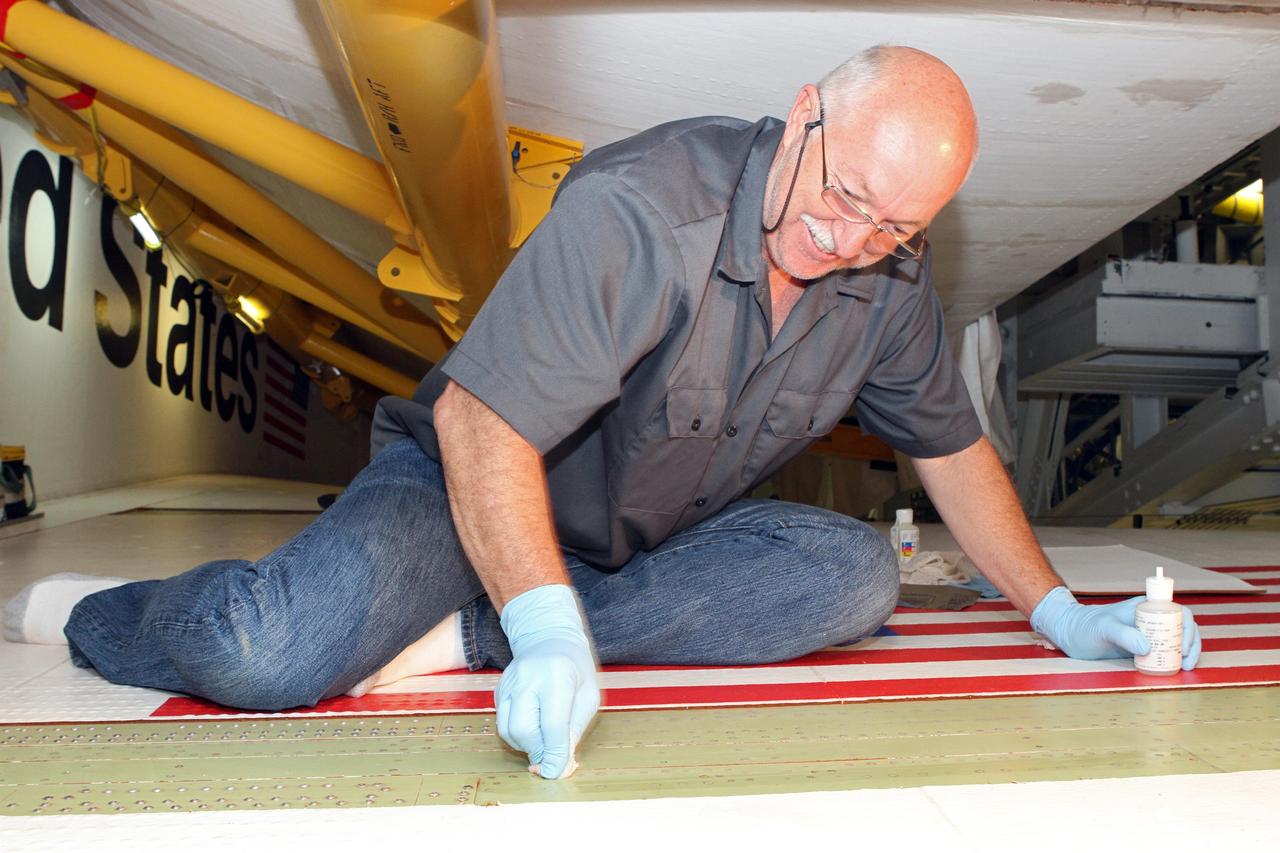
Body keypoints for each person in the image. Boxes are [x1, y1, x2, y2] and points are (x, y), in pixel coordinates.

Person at [5, 45, 1202, 781]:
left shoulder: (884, 278)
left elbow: (951, 448)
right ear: (802, 114)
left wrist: (1054, 611)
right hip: (465, 488)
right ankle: (93, 615)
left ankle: (460, 639)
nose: (847, 243)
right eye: (842, 200)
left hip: (645, 537)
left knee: (852, 579)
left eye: (892, 228)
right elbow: (484, 427)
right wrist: (542, 620)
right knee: (263, 651)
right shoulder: (643, 206)